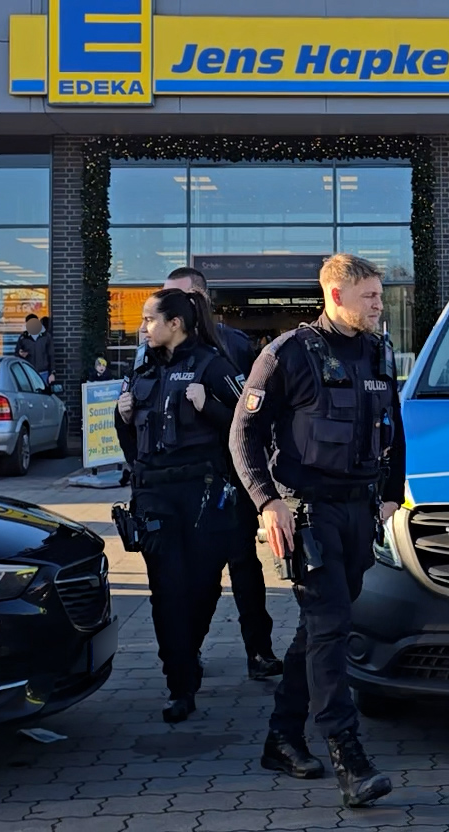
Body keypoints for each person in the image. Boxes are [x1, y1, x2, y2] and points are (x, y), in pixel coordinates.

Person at [229, 253, 403, 809]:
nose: (379, 304)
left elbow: (393, 427)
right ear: (336, 295)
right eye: (370, 296)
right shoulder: (287, 355)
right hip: (307, 514)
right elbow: (243, 434)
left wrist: (391, 497)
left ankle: (282, 736)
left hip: (359, 510)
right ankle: (347, 754)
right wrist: (267, 501)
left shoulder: (379, 351)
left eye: (379, 295)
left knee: (321, 626)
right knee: (330, 625)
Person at [138, 266, 282, 682]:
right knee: (194, 578)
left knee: (243, 568)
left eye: (179, 298)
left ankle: (259, 651)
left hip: (230, 483)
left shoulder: (231, 347)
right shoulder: (154, 355)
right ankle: (189, 653)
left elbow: (252, 416)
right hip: (180, 488)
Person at [114, 288, 247, 723]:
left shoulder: (213, 365)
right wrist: (122, 415)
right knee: (166, 591)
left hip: (203, 493)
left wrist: (208, 406)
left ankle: (187, 656)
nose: (143, 327)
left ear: (176, 324)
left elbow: (249, 425)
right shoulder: (142, 369)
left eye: (150, 319)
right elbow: (133, 443)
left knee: (203, 585)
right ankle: (180, 683)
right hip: (154, 493)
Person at [14, 314, 53, 382]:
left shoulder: (46, 336)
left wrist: (52, 373)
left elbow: (51, 355)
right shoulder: (23, 337)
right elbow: (16, 353)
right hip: (28, 372)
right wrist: (21, 354)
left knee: (43, 391)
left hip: (43, 373)